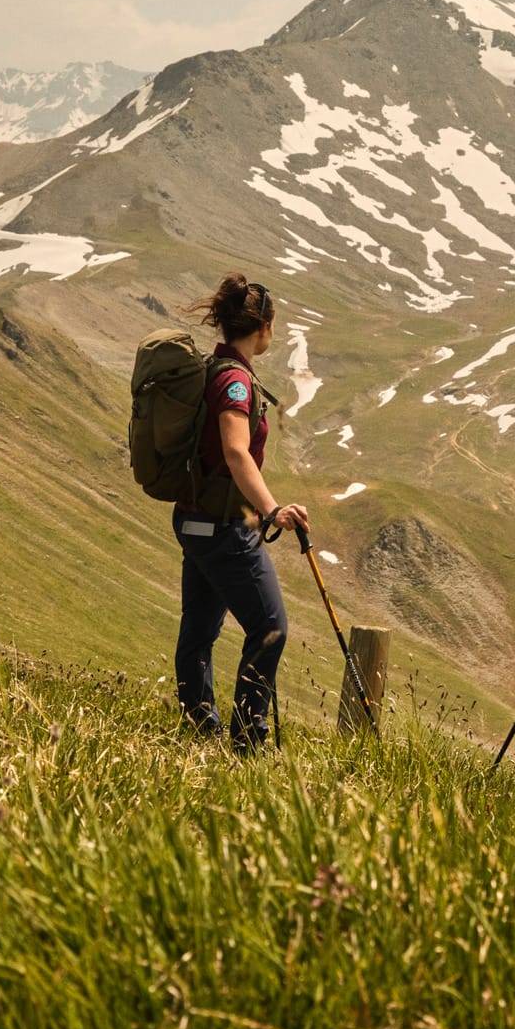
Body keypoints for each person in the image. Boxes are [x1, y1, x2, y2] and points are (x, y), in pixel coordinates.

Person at [171, 275, 307, 751]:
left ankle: (198, 729)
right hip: (224, 529)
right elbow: (235, 451)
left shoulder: (215, 368)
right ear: (262, 328)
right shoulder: (233, 380)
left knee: (200, 629)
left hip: (196, 520)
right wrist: (271, 511)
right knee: (270, 628)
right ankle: (248, 742)